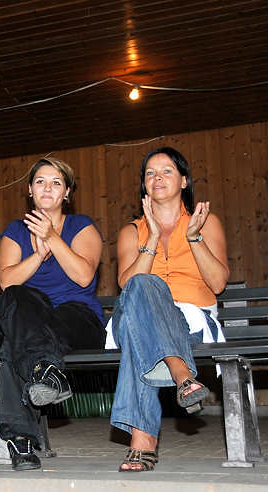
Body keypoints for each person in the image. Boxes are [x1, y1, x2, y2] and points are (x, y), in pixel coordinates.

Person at [109, 147, 229, 472]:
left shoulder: (205, 223)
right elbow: (127, 285)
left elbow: (218, 283)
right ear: (144, 185)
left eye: (166, 171)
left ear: (184, 181)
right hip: (136, 314)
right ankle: (181, 374)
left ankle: (143, 440)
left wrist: (194, 238)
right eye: (150, 173)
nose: (157, 178)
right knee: (141, 286)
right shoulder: (131, 231)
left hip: (191, 319)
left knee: (138, 334)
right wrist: (151, 237)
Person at [0, 157, 105, 471]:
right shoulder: (16, 231)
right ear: (30, 189)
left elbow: (84, 277)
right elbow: (7, 282)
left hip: (78, 319)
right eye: (40, 181)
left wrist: (52, 238)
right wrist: (38, 256)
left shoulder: (81, 226)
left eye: (56, 182)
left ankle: (20, 441)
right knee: (16, 300)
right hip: (32, 319)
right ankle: (45, 370)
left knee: (17, 344)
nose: (47, 188)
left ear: (66, 192)